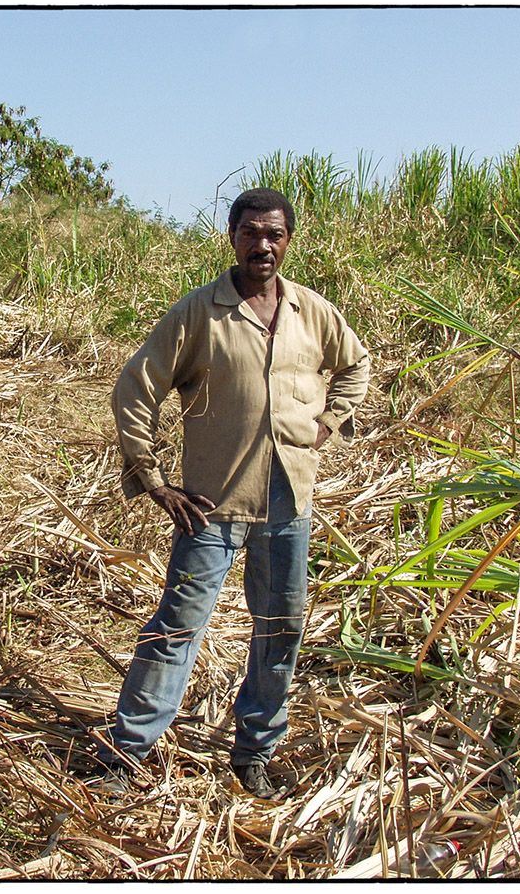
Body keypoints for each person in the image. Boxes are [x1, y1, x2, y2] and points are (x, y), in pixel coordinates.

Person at [98, 188, 370, 798]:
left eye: (274, 234)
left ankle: (255, 754)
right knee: (177, 627)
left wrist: (328, 423)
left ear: (288, 240)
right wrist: (151, 478)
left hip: (288, 503)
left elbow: (356, 365)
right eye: (251, 233)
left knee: (281, 630)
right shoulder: (202, 312)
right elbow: (136, 388)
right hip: (212, 504)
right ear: (232, 236)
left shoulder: (312, 313)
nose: (263, 245)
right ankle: (127, 753)